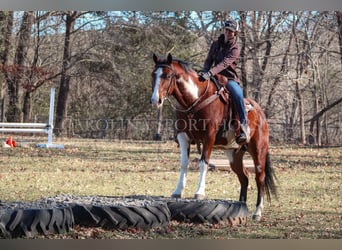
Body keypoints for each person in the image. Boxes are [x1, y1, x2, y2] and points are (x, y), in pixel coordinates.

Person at [198, 19, 249, 145]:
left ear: (235, 33)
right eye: (226, 30)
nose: (228, 33)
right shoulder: (216, 44)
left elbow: (224, 64)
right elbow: (209, 59)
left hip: (229, 79)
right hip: (214, 77)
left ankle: (243, 126)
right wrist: (205, 71)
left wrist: (210, 72)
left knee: (238, 95)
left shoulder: (235, 48)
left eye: (231, 31)